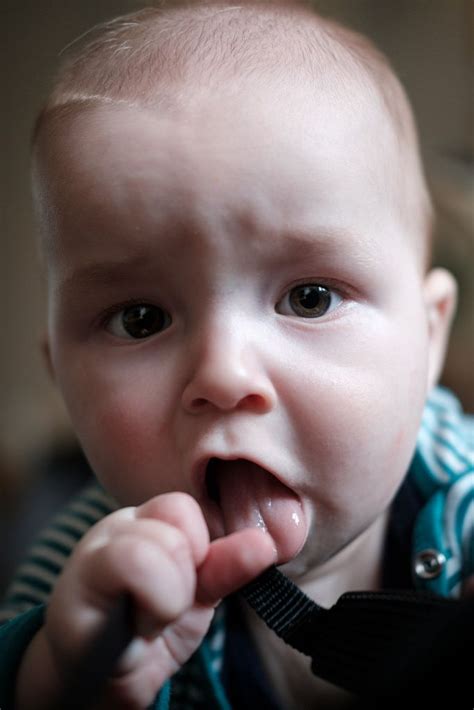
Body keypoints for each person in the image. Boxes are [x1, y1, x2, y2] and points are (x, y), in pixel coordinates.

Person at [1, 2, 473, 708]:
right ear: (63, 381)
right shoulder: (88, 582)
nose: (222, 375)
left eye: (310, 298)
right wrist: (71, 678)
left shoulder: (462, 484)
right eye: (141, 319)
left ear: (429, 337)